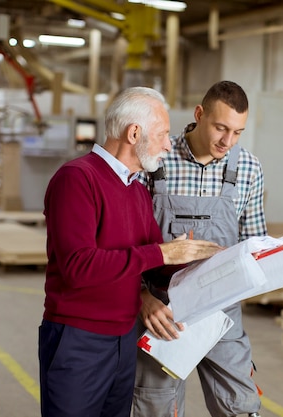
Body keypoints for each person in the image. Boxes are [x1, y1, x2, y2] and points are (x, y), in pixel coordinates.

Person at [38, 86, 222, 417]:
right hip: (78, 339)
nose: (168, 144)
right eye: (164, 134)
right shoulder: (77, 179)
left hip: (124, 339)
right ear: (134, 133)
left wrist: (196, 260)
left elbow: (152, 266)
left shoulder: (136, 190)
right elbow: (79, 267)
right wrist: (163, 254)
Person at [132, 80, 267, 417]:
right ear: (199, 114)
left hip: (222, 312)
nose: (228, 141)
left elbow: (255, 243)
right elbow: (128, 241)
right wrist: (141, 298)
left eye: (237, 132)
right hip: (162, 314)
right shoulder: (156, 158)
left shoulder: (248, 168)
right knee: (154, 406)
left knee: (241, 405)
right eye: (221, 128)